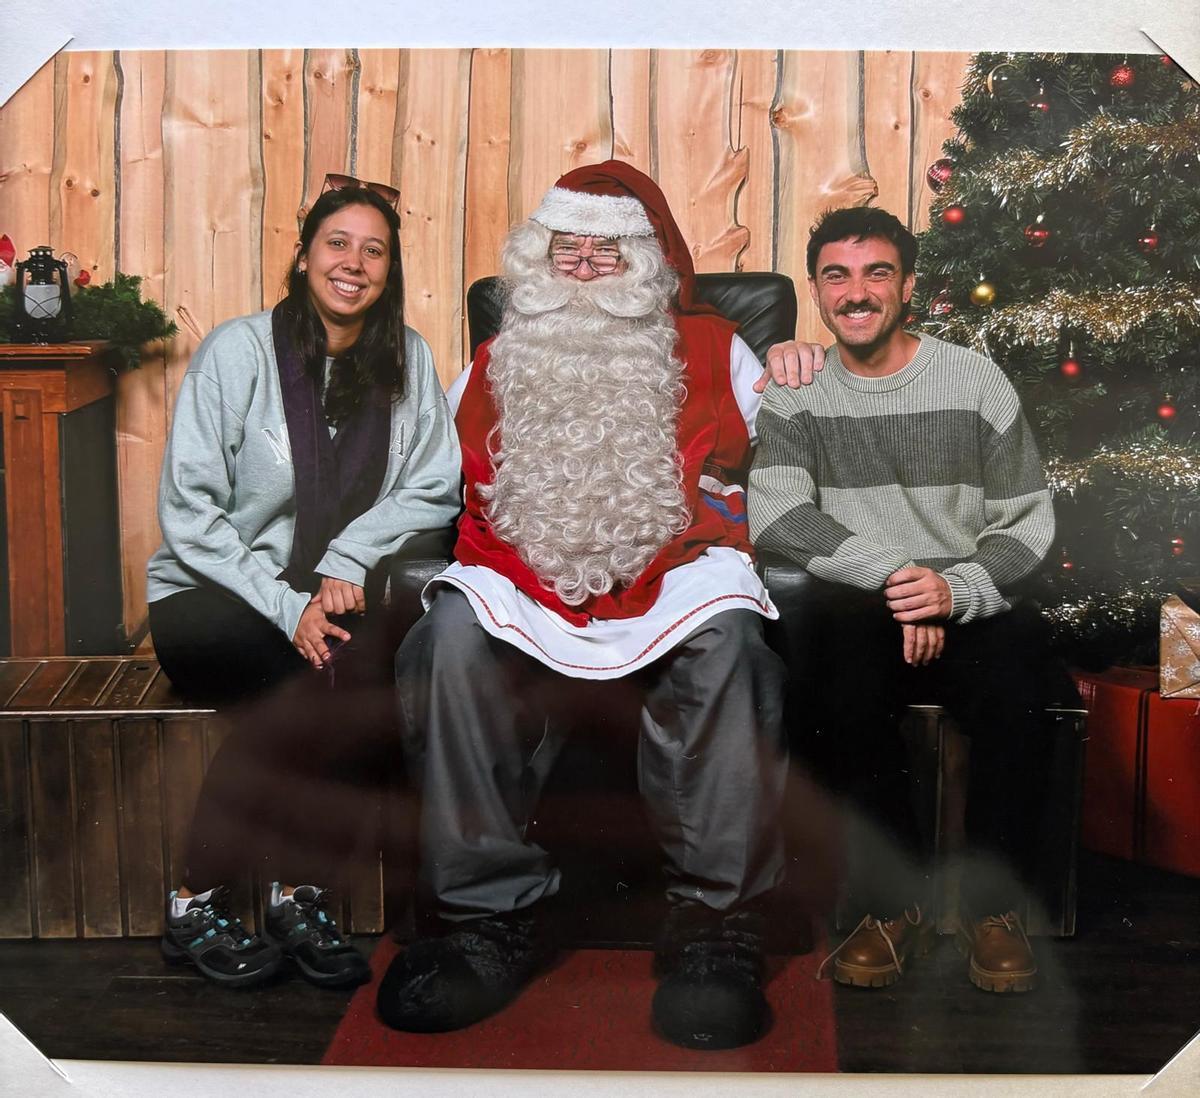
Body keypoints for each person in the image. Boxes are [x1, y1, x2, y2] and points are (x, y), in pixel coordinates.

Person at [381, 161, 822, 1049]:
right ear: (539, 260)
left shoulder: (713, 346)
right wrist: (347, 561)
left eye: (604, 252)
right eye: (566, 250)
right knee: (447, 640)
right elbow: (425, 482)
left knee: (733, 645)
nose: (582, 268)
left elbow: (802, 443)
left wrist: (806, 364)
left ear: (645, 263)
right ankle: (487, 917)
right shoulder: (496, 358)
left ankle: (713, 924)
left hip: (675, 564)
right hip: (522, 568)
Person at [146, 177, 461, 988]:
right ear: (303, 254)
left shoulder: (408, 359)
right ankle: (196, 901)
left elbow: (434, 485)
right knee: (301, 686)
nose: (352, 263)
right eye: (337, 243)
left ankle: (298, 893)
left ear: (389, 271)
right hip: (208, 593)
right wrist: (288, 606)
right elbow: (190, 513)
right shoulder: (237, 351)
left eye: (374, 249)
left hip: (327, 593)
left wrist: (348, 557)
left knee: (361, 676)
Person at [749, 204, 1064, 994]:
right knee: (830, 673)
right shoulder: (797, 390)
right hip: (867, 598)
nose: (857, 293)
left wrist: (950, 591)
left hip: (968, 591)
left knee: (1022, 680)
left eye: (877, 272)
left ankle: (995, 910)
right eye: (837, 276)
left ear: (908, 286)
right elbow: (779, 515)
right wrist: (899, 580)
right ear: (818, 293)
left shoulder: (973, 378)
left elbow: (1027, 522)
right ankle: (889, 908)